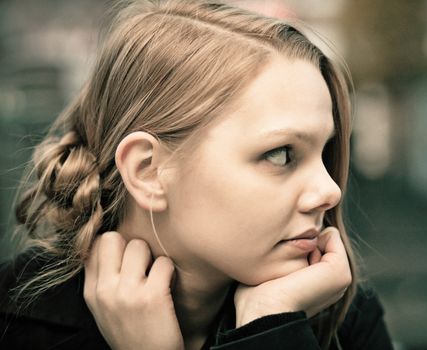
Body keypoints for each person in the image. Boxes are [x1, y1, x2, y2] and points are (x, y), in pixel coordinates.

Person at [0, 0, 393, 349]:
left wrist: (271, 324)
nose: (329, 191)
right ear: (147, 171)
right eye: (281, 155)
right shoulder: (14, 326)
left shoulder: (339, 317)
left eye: (325, 152)